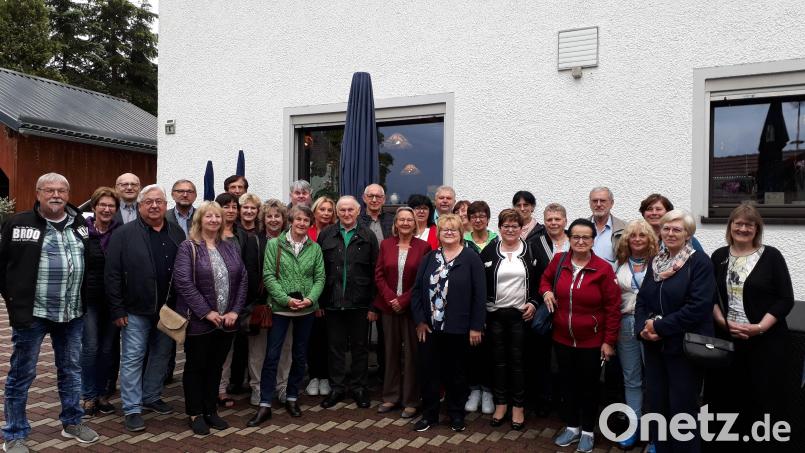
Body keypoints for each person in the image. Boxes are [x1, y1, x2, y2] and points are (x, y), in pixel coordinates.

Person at [0, 173, 100, 452]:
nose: (56, 195)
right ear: (38, 193)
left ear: (68, 194)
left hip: (71, 313)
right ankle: (14, 434)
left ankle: (72, 422)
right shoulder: (18, 223)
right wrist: (13, 302)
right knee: (22, 374)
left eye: (61, 190)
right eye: (49, 190)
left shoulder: (80, 224)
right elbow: (3, 265)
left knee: (70, 370)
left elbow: (89, 262)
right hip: (33, 314)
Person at [707, 203, 794, 453]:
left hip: (765, 343)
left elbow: (785, 299)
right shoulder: (719, 256)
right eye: (738, 223)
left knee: (763, 400)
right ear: (730, 226)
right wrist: (724, 323)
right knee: (728, 399)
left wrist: (759, 327)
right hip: (728, 340)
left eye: (749, 224)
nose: (743, 228)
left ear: (757, 228)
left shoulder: (772, 256)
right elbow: (711, 297)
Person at [105, 184, 185, 432]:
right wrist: (117, 310)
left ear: (165, 205)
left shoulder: (176, 233)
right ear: (140, 206)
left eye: (159, 201)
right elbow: (113, 274)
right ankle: (131, 408)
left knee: (160, 357)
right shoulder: (123, 234)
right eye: (148, 202)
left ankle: (151, 396)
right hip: (135, 310)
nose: (154, 206)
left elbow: (184, 273)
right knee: (132, 359)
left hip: (167, 310)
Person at [635, 209, 715, 453]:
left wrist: (659, 326)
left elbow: (698, 307)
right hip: (655, 348)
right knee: (658, 406)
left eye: (677, 229)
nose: (670, 233)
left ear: (688, 234)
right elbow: (643, 300)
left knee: (682, 410)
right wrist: (642, 328)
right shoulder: (656, 261)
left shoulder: (699, 262)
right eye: (667, 228)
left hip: (683, 348)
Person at [541, 218, 621, 453]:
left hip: (592, 341)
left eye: (586, 237)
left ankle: (587, 430)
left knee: (589, 387)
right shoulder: (559, 261)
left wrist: (608, 341)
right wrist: (546, 291)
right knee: (567, 385)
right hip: (562, 338)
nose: (580, 241)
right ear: (569, 238)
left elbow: (613, 308)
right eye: (576, 236)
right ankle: (572, 426)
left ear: (593, 240)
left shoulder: (603, 268)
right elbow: (545, 279)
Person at [173, 201, 247, 435]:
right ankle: (195, 412)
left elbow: (242, 278)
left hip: (227, 322)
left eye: (218, 216)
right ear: (199, 220)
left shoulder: (229, 246)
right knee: (196, 367)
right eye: (209, 216)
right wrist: (207, 312)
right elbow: (183, 282)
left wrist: (235, 310)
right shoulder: (189, 247)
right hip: (199, 321)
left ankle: (210, 410)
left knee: (215, 366)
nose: (214, 220)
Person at [248, 205, 325, 425]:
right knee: (272, 356)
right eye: (298, 219)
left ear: (311, 224)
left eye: (306, 220)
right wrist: (286, 299)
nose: (302, 223)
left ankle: (292, 397)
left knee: (299, 356)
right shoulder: (275, 244)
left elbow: (320, 278)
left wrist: (310, 299)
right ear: (290, 221)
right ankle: (265, 404)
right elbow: (269, 276)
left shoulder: (315, 248)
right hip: (281, 309)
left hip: (307, 310)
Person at [410, 214, 486, 433]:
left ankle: (456, 414)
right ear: (439, 234)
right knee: (429, 372)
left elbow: (480, 295)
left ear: (461, 233)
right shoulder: (430, 257)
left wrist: (476, 326)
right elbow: (416, 291)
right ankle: (430, 415)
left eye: (453, 229)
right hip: (430, 329)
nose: (449, 233)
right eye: (445, 230)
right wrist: (420, 321)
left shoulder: (471, 258)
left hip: (459, 328)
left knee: (457, 374)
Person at [317, 196, 379, 409]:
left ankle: (360, 388)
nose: (346, 213)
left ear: (358, 210)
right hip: (332, 303)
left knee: (360, 348)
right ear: (337, 212)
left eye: (350, 210)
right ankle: (337, 388)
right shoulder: (326, 235)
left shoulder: (368, 236)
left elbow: (375, 273)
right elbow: (319, 271)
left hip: (360, 303)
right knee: (335, 348)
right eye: (342, 210)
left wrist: (373, 305)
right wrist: (320, 303)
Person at [480, 209, 538, 431]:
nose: (510, 229)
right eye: (506, 226)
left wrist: (533, 302)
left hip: (520, 317)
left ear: (521, 228)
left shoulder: (531, 250)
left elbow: (541, 281)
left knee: (518, 363)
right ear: (500, 228)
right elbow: (480, 284)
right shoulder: (488, 251)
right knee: (498, 362)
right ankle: (501, 404)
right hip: (494, 315)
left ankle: (518, 407)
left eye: (515, 226)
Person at [372, 207, 431, 418]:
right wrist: (390, 299)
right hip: (388, 308)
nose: (405, 223)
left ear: (415, 224)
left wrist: (404, 300)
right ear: (395, 224)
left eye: (409, 220)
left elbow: (422, 279)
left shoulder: (424, 247)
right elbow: (378, 275)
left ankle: (411, 400)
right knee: (390, 353)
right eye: (401, 220)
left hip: (411, 309)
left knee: (412, 355)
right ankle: (390, 397)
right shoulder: (385, 244)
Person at [613, 219, 659, 449]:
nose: (638, 239)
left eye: (642, 235)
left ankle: (654, 435)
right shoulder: (620, 263)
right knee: (631, 379)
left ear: (650, 239)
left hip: (650, 326)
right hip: (625, 324)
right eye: (633, 236)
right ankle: (633, 428)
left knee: (654, 380)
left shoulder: (659, 262)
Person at [244, 199, 290, 406]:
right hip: (262, 303)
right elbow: (252, 274)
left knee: (284, 348)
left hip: (286, 305)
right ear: (263, 219)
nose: (273, 220)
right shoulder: (255, 241)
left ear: (283, 219)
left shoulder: (292, 240)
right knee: (258, 350)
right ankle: (257, 387)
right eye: (269, 216)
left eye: (277, 216)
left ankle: (282, 387)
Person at [81, 187, 122, 417]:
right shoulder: (82, 231)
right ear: (94, 207)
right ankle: (88, 396)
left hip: (113, 301)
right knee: (91, 347)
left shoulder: (121, 232)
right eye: (102, 205)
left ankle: (102, 395)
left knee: (108, 350)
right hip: (89, 300)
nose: (107, 209)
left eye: (111, 206)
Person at [214, 192, 248, 406]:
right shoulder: (209, 234)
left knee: (229, 347)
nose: (231, 210)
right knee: (213, 347)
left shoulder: (241, 234)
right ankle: (211, 386)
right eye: (226, 206)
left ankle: (222, 387)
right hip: (213, 299)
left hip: (236, 299)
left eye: (234, 206)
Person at [463, 199, 496, 415]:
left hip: (493, 304)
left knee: (490, 350)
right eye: (473, 216)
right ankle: (474, 389)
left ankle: (488, 391)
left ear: (487, 218)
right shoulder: (463, 240)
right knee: (472, 349)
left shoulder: (497, 240)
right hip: (467, 303)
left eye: (482, 216)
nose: (477, 219)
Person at [305, 196, 335, 397]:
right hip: (308, 295)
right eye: (321, 209)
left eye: (329, 210)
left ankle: (325, 377)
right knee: (311, 338)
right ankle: (313, 376)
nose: (325, 213)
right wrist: (313, 299)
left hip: (330, 295)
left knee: (328, 338)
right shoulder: (306, 233)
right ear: (314, 212)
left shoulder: (336, 233)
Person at [639, 193, 704, 252]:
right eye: (649, 209)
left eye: (658, 209)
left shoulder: (686, 239)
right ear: (643, 213)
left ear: (668, 212)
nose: (654, 213)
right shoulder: (638, 238)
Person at [588, 186, 626, 267]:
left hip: (611, 278)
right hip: (584, 278)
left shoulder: (624, 228)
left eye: (603, 201)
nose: (598, 204)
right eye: (595, 201)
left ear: (611, 203)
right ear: (590, 203)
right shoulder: (580, 227)